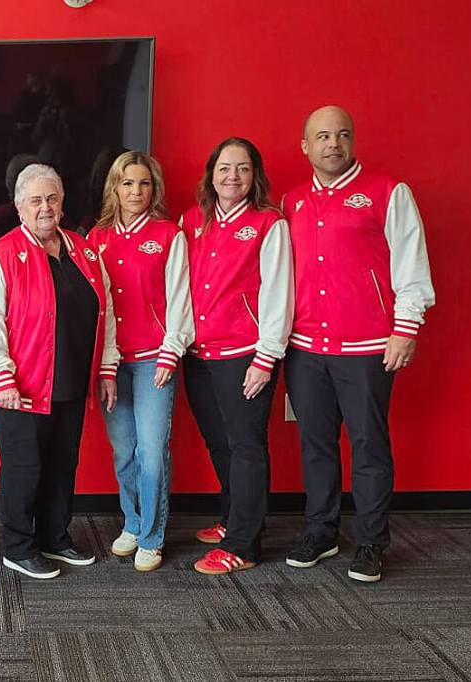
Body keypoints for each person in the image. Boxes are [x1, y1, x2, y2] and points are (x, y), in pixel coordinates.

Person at [282, 106, 435, 582]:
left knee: (368, 444)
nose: (334, 144)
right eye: (323, 136)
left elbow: (411, 262)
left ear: (353, 141)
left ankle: (371, 542)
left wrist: (405, 328)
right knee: (315, 443)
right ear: (305, 146)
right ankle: (322, 531)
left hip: (368, 347)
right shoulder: (292, 201)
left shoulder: (388, 192)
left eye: (343, 135)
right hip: (305, 348)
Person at [0, 163, 119, 580]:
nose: (45, 207)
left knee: (61, 464)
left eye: (52, 198)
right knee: (24, 469)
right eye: (35, 200)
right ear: (19, 207)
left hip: (71, 381)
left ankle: (55, 537)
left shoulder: (85, 250)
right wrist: (2, 378)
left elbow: (106, 312)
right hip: (22, 386)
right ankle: (18, 547)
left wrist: (107, 368)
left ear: (62, 202)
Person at [180, 137, 294, 575]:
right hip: (199, 355)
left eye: (243, 168)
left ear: (255, 176)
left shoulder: (269, 223)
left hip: (245, 355)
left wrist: (267, 357)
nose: (233, 177)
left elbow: (278, 292)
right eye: (225, 168)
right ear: (211, 173)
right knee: (219, 442)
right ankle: (232, 519)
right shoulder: (193, 221)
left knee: (246, 446)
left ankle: (244, 544)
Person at [87, 152, 194, 572]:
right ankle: (131, 523)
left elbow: (182, 296)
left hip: (155, 362)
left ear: (155, 189)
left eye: (144, 184)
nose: (136, 191)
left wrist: (172, 350)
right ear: (114, 188)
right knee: (124, 452)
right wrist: (102, 364)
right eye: (127, 183)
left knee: (152, 451)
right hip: (112, 364)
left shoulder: (170, 235)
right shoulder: (96, 238)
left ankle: (152, 535)